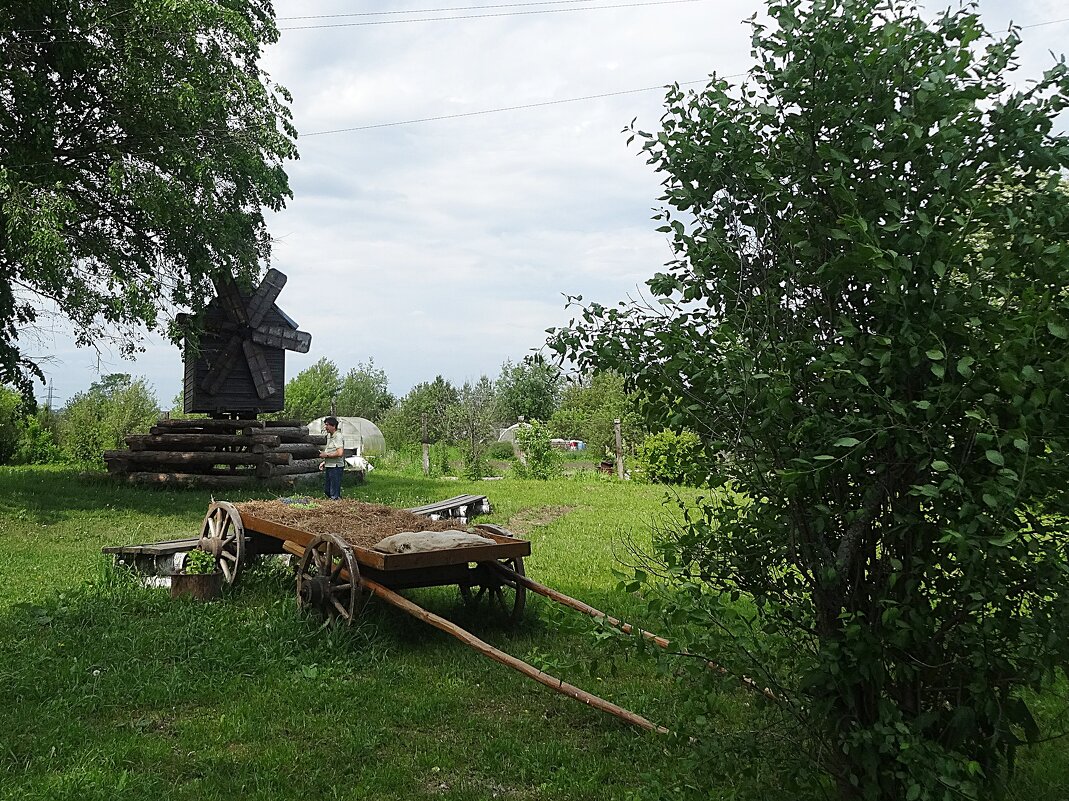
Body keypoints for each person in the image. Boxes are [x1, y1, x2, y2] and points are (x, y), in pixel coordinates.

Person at [318, 416, 345, 500]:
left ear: (333, 426)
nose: (325, 427)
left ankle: (336, 504)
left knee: (334, 492)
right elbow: (330, 450)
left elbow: (340, 453)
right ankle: (334, 502)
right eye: (325, 425)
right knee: (327, 490)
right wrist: (324, 462)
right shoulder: (330, 436)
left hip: (336, 467)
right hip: (330, 465)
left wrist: (326, 455)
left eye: (327, 425)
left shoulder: (338, 436)